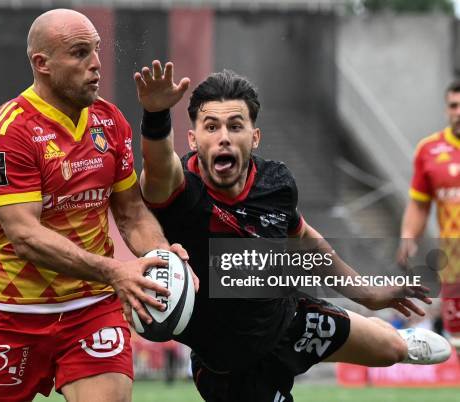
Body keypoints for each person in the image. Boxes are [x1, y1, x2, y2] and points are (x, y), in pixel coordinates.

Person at [135, 64, 452, 401]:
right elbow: (157, 167)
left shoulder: (276, 183)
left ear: (254, 137)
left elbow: (304, 240)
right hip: (230, 367)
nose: (223, 136)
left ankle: (403, 341)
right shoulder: (179, 188)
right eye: (211, 127)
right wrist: (155, 115)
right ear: (193, 138)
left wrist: (368, 294)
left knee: (389, 349)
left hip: (290, 319)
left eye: (235, 126)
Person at [0, 10, 195, 402]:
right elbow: (25, 236)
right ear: (42, 63)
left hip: (92, 308)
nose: (95, 64)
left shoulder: (109, 121)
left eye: (96, 50)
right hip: (13, 315)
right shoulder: (6, 134)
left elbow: (132, 213)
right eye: (79, 53)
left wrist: (162, 259)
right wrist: (114, 271)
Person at [397, 80, 460, 352]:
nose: (459, 111)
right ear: (447, 109)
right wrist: (408, 237)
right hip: (454, 260)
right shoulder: (429, 150)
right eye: (454, 105)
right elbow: (420, 204)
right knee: (456, 339)